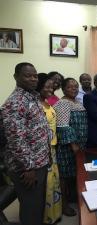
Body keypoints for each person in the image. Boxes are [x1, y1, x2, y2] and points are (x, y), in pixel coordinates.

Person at [0, 62, 50, 225]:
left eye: (35, 75)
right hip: (27, 168)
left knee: (36, 207)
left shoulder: (32, 96)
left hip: (38, 162)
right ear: (16, 77)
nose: (33, 79)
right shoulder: (15, 102)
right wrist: (28, 167)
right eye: (27, 75)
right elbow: (16, 139)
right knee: (31, 211)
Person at [53, 78, 88, 216]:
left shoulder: (77, 102)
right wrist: (73, 145)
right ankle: (64, 205)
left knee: (75, 175)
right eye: (70, 87)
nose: (74, 89)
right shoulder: (62, 103)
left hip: (80, 145)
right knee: (65, 177)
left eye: (76, 87)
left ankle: (74, 198)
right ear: (63, 89)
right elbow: (63, 126)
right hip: (68, 147)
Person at [36, 73, 62, 224]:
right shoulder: (36, 105)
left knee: (54, 183)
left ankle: (54, 215)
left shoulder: (46, 102)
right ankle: (47, 218)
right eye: (46, 86)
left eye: (51, 87)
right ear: (39, 86)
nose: (50, 89)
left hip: (52, 148)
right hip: (43, 151)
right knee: (47, 186)